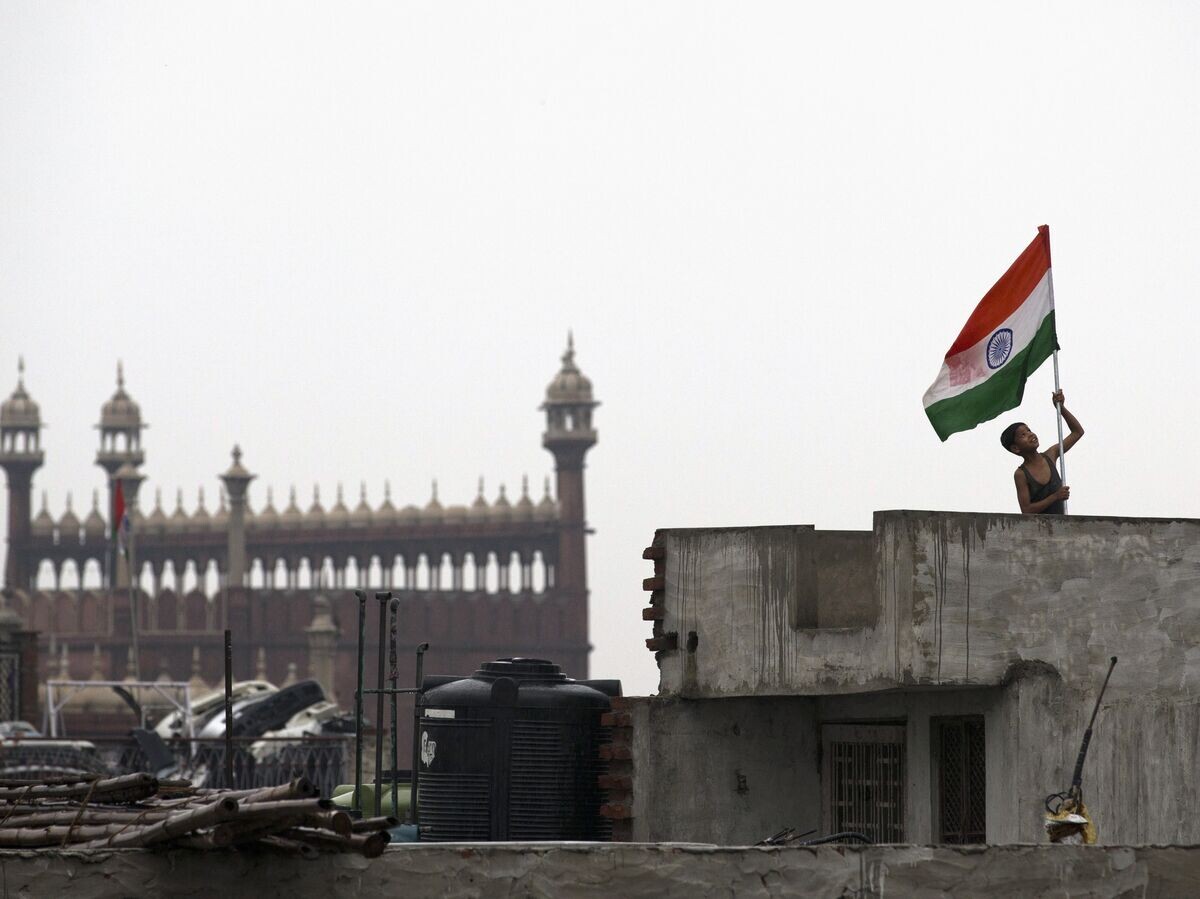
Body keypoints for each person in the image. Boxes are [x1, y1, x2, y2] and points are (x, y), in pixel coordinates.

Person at [1000, 390, 1084, 514]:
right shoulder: (1021, 474)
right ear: (1016, 448)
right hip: (1038, 531)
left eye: (1029, 430)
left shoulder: (1051, 454)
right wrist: (1055, 496)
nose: (1030, 434)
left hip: (1062, 527)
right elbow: (1026, 510)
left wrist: (1061, 408)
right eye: (1023, 434)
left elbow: (1077, 432)